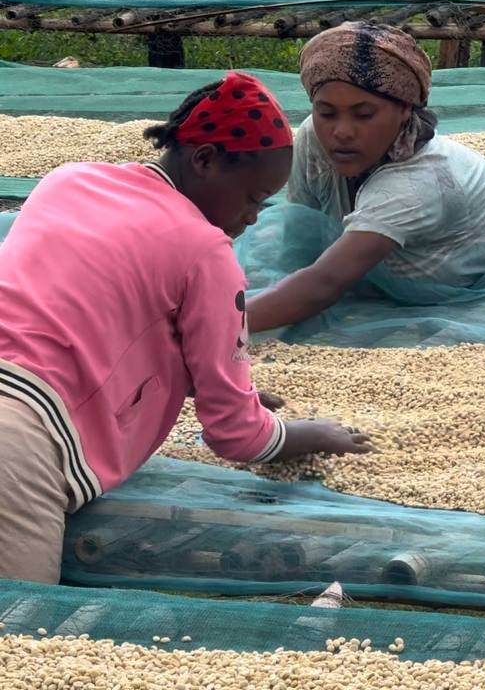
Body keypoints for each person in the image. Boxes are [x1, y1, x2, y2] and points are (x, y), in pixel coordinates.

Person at [0, 72, 372, 585]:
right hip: (18, 442)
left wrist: (195, 379)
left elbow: (88, 317)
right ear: (205, 160)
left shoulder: (68, 179)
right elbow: (236, 434)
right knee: (18, 633)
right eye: (253, 198)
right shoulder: (206, 252)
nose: (252, 219)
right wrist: (306, 434)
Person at [246, 22, 485, 331]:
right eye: (327, 113)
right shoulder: (314, 134)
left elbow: (327, 281)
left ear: (406, 110)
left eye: (364, 115)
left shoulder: (415, 186)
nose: (341, 132)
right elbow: (301, 236)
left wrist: (219, 325)